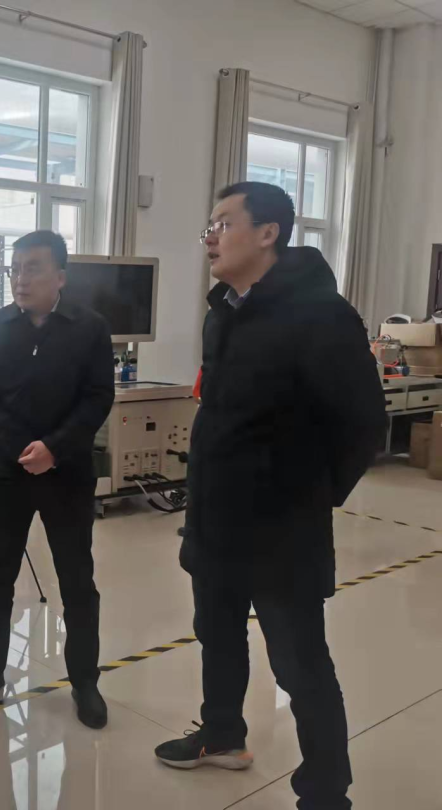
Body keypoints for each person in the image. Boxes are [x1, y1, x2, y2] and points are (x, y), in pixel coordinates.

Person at [155, 182, 386, 810]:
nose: (211, 236)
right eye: (209, 225)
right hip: (216, 520)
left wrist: (309, 495)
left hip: (281, 531)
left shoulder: (321, 315)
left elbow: (365, 424)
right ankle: (223, 735)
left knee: (300, 665)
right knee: (217, 634)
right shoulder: (224, 312)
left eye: (224, 223)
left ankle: (325, 793)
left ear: (268, 233)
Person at [0, 230, 114, 728]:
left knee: (77, 579)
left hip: (67, 472)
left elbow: (98, 397)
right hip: (6, 472)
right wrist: (19, 450)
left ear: (60, 277)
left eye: (33, 268)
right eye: (15, 269)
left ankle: (84, 681)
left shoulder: (90, 329)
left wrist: (54, 449)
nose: (20, 279)